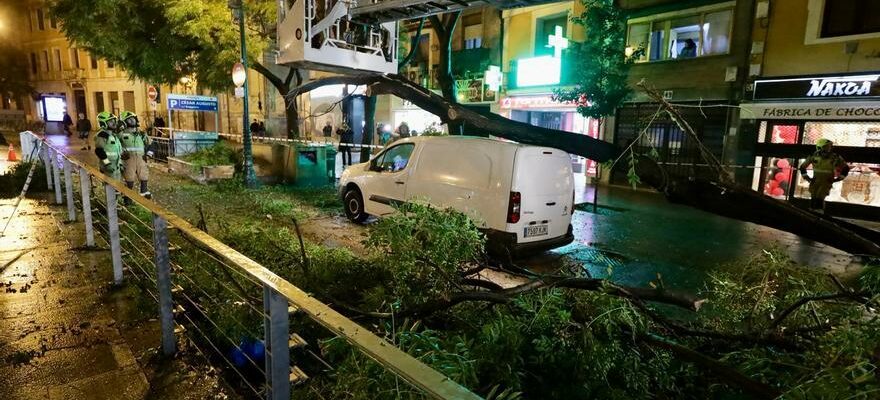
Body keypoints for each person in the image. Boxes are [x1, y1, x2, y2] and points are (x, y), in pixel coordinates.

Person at [799, 138, 850, 213]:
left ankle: (819, 213)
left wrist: (838, 179)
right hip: (815, 180)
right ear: (820, 147)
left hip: (826, 181)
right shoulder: (813, 156)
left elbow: (845, 168)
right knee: (814, 196)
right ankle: (811, 213)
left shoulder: (835, 157)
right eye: (826, 146)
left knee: (820, 196)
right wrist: (807, 178)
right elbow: (802, 167)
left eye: (829, 146)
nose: (829, 148)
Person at [119, 111, 154, 199]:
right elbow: (114, 146)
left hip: (141, 159)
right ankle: (128, 198)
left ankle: (144, 193)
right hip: (128, 160)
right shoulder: (121, 134)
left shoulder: (141, 134)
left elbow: (152, 144)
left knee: (144, 176)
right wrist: (120, 155)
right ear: (124, 122)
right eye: (130, 120)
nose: (133, 121)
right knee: (129, 178)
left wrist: (149, 155)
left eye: (133, 119)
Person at [94, 112, 124, 181]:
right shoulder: (102, 135)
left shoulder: (113, 134)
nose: (114, 123)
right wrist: (107, 164)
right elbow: (99, 151)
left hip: (116, 166)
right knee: (110, 188)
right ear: (103, 123)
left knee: (117, 187)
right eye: (110, 121)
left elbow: (117, 150)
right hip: (108, 166)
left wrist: (120, 164)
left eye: (114, 121)